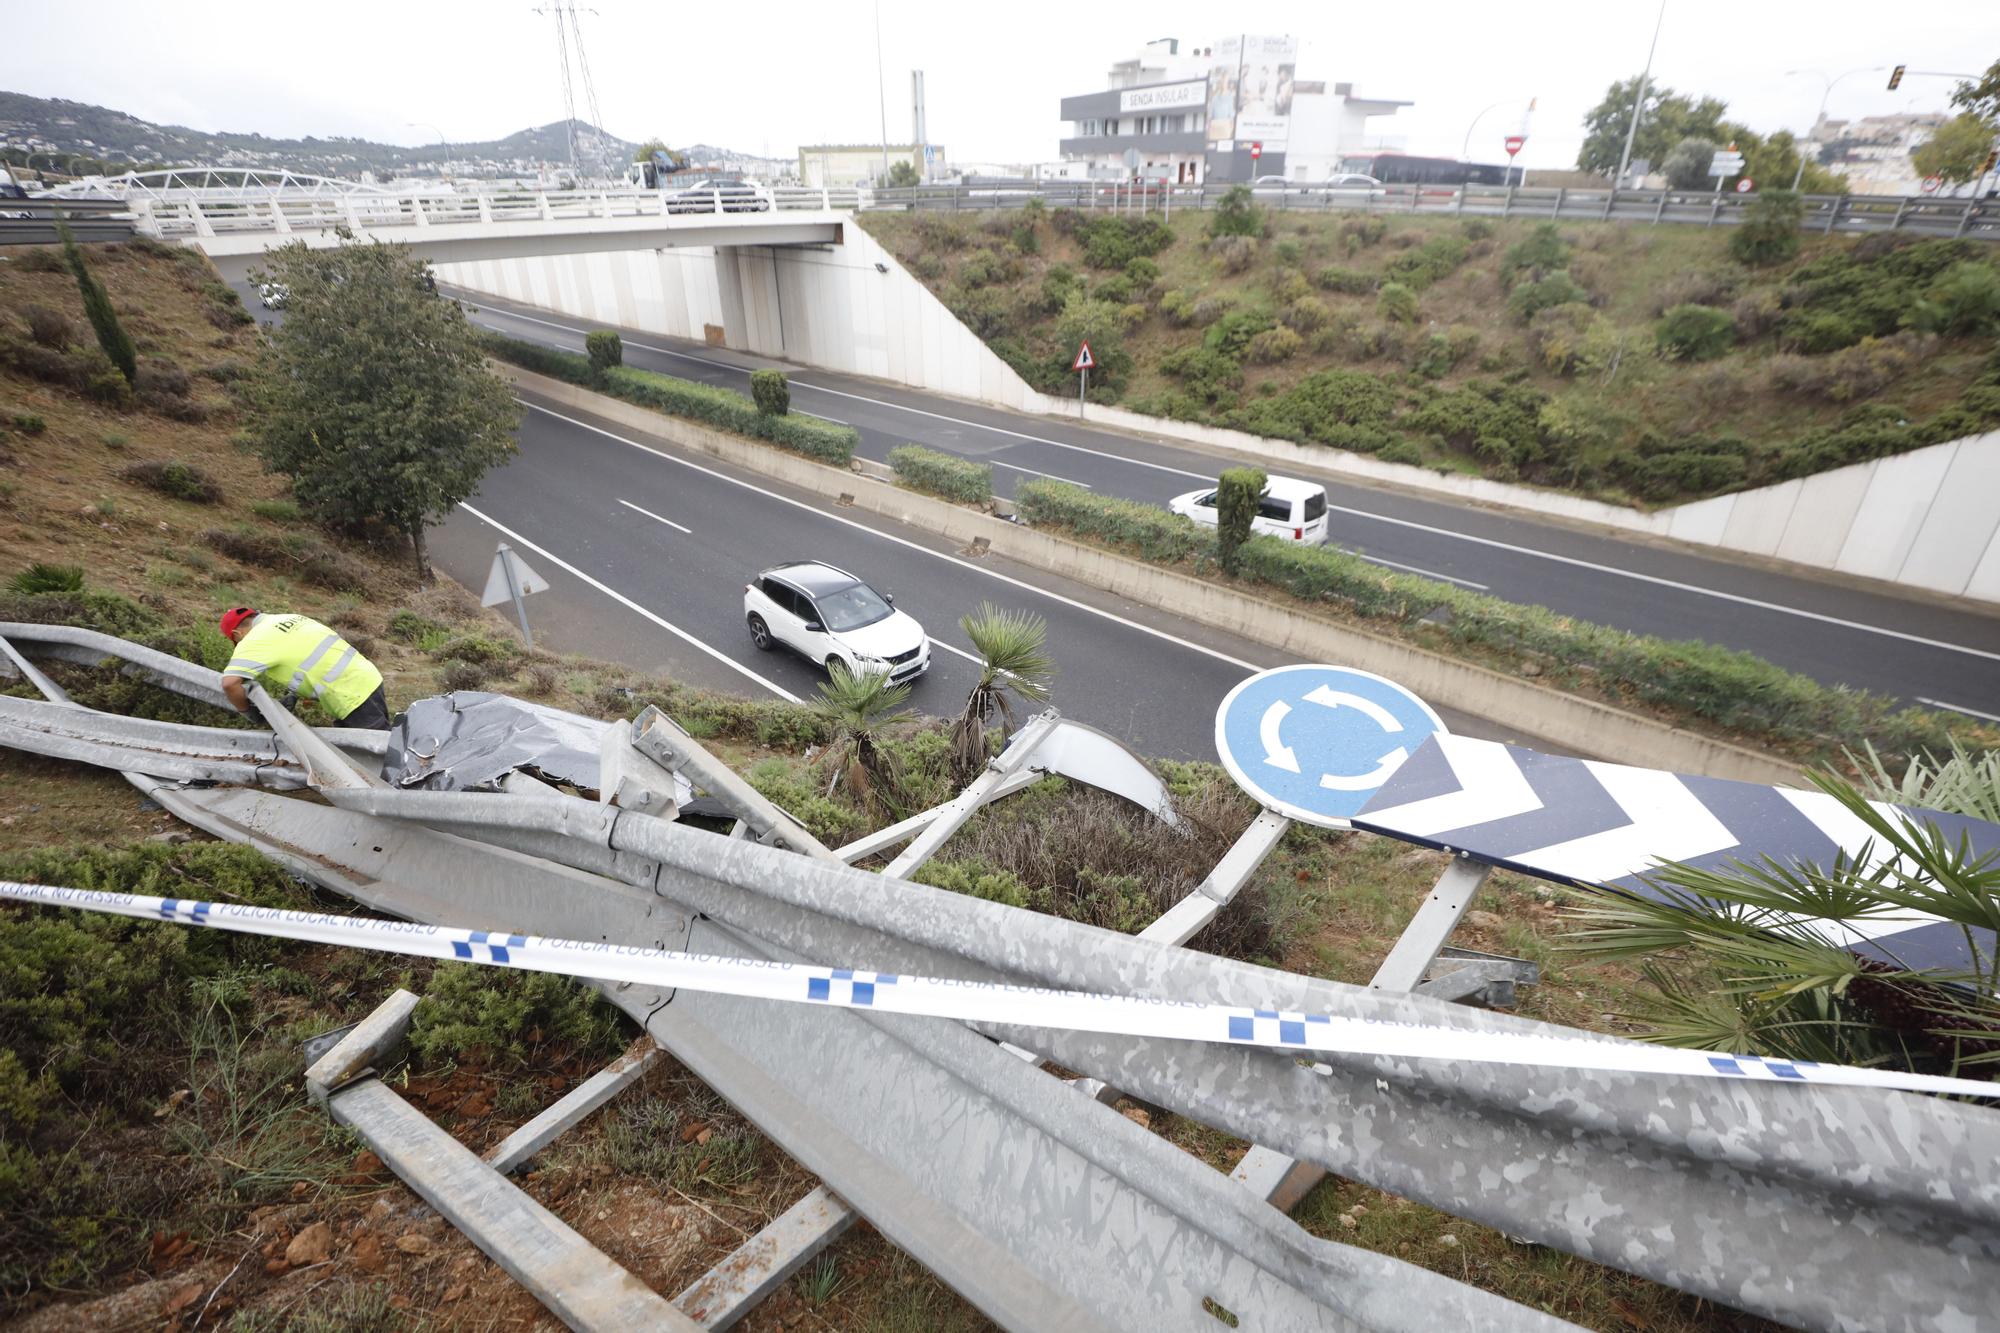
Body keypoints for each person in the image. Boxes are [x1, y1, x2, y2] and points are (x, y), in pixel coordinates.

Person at [218, 606, 392, 730]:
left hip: (348, 694)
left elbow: (230, 683)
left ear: (236, 634)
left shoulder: (254, 639)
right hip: (366, 676)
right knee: (360, 749)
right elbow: (309, 654)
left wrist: (250, 714)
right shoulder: (288, 617)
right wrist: (298, 692)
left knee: (377, 755)